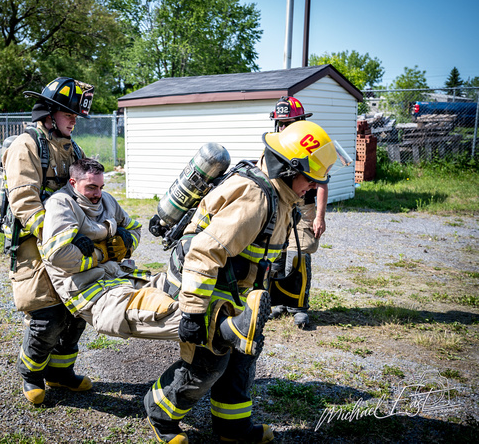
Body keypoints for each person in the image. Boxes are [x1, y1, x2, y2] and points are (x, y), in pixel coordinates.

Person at [144, 120, 345, 443]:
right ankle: (160, 413)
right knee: (208, 362)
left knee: (242, 357)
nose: (312, 187)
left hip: (234, 290)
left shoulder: (281, 197)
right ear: (288, 168)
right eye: (309, 179)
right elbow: (204, 253)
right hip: (203, 287)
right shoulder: (255, 199)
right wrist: (194, 313)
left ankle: (232, 428)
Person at [39, 158, 269, 368]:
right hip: (90, 290)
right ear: (73, 182)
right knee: (155, 309)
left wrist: (125, 243)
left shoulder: (106, 200)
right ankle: (227, 328)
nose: (98, 194)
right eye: (91, 187)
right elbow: (59, 256)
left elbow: (134, 228)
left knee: (172, 285)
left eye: (100, 187)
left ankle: (229, 315)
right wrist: (102, 254)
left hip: (120, 276)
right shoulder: (61, 204)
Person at [2, 77, 94, 405]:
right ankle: (31, 374)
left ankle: (60, 373)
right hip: (32, 244)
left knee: (77, 310)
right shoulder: (26, 146)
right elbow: (25, 200)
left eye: (75, 114)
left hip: (65, 244)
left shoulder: (73, 148)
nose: (74, 120)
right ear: (49, 113)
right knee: (47, 315)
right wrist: (56, 238)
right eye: (68, 113)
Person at [269, 96, 328, 328]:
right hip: (280, 203)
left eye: (289, 123)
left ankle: (299, 307)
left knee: (299, 253)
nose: (284, 128)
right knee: (276, 253)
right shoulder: (274, 143)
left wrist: (320, 216)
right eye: (281, 123)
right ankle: (277, 303)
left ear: (300, 121)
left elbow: (322, 182)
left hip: (304, 205)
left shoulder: (311, 144)